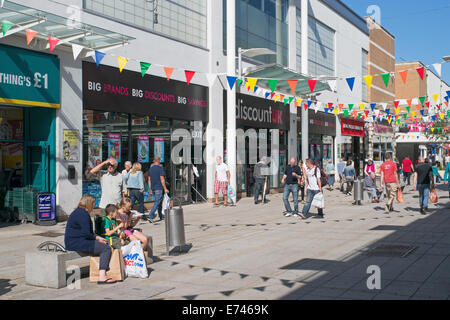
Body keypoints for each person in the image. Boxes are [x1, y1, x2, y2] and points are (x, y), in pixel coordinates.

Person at [64, 195, 115, 284]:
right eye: (94, 203)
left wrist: (97, 238)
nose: (94, 205)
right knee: (105, 249)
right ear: (89, 203)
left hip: (75, 241)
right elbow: (87, 233)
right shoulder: (82, 214)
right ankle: (102, 276)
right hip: (76, 242)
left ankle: (101, 271)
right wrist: (96, 238)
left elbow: (87, 233)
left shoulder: (79, 212)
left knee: (104, 245)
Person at [148, 156, 169, 221]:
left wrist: (150, 189)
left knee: (159, 202)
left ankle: (161, 216)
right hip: (159, 187)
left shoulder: (150, 169)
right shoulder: (160, 168)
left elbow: (149, 180)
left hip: (153, 188)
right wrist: (165, 188)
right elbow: (162, 179)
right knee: (157, 202)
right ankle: (151, 215)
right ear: (158, 161)